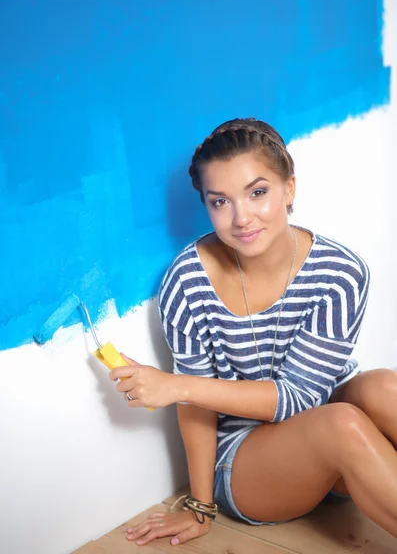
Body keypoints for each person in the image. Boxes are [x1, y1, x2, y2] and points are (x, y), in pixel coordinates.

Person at [110, 118, 397, 546]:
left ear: (290, 189)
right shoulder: (187, 282)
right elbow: (196, 409)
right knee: (342, 423)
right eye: (220, 201)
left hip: (324, 427)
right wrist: (201, 506)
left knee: (384, 388)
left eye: (257, 192)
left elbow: (302, 398)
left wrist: (177, 386)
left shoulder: (340, 272)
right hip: (248, 462)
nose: (241, 218)